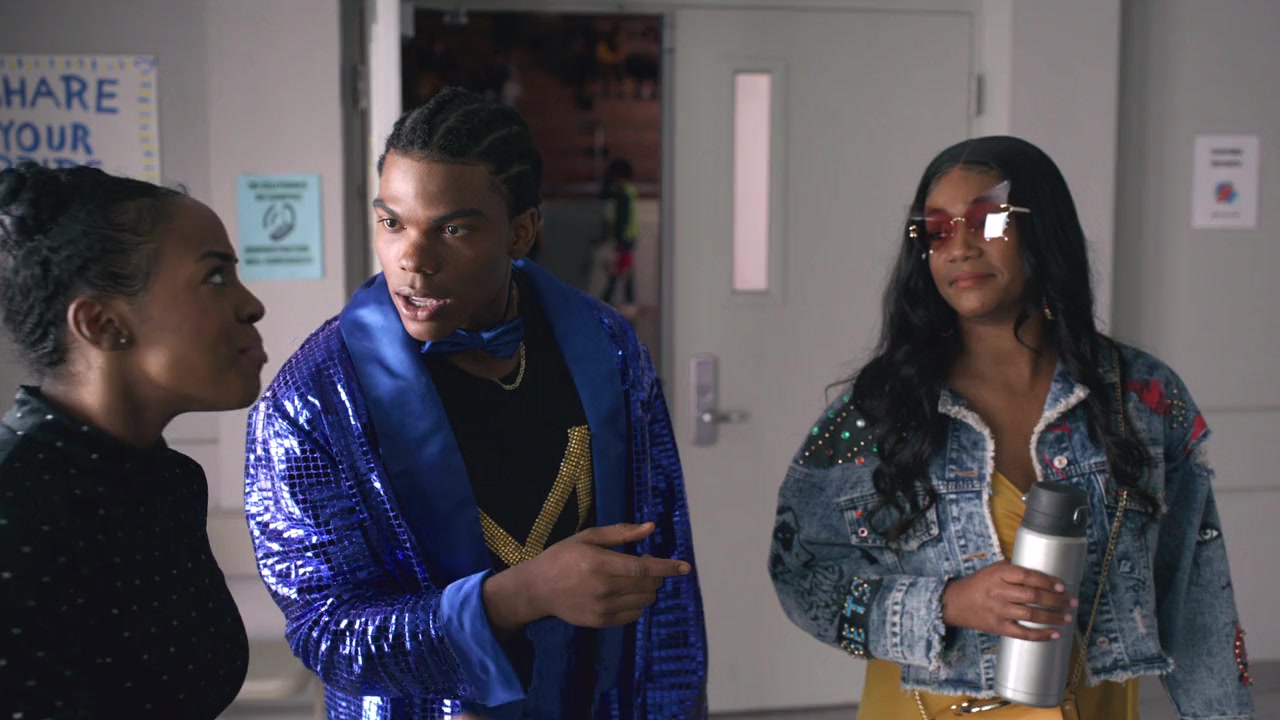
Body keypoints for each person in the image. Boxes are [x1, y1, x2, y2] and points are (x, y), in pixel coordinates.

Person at [244, 87, 706, 719]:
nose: (412, 259)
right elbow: (326, 632)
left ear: (521, 232)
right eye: (392, 223)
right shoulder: (314, 398)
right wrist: (519, 595)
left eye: (453, 228)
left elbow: (663, 572)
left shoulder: (607, 347)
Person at [768, 136, 1255, 719]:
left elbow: (1197, 600)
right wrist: (946, 603)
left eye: (987, 220)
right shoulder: (880, 409)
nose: (960, 247)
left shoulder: (1141, 395)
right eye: (937, 230)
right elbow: (800, 576)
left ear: (1042, 228)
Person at [0, 162, 265, 717]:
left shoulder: (169, 482)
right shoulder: (15, 507)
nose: (252, 306)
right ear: (101, 324)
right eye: (215, 278)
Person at [599, 158, 639, 307]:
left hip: (625, 237)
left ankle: (607, 300)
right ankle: (629, 301)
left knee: (617, 270)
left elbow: (623, 217)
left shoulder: (623, 192)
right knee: (625, 269)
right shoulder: (630, 189)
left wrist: (619, 237)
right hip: (630, 235)